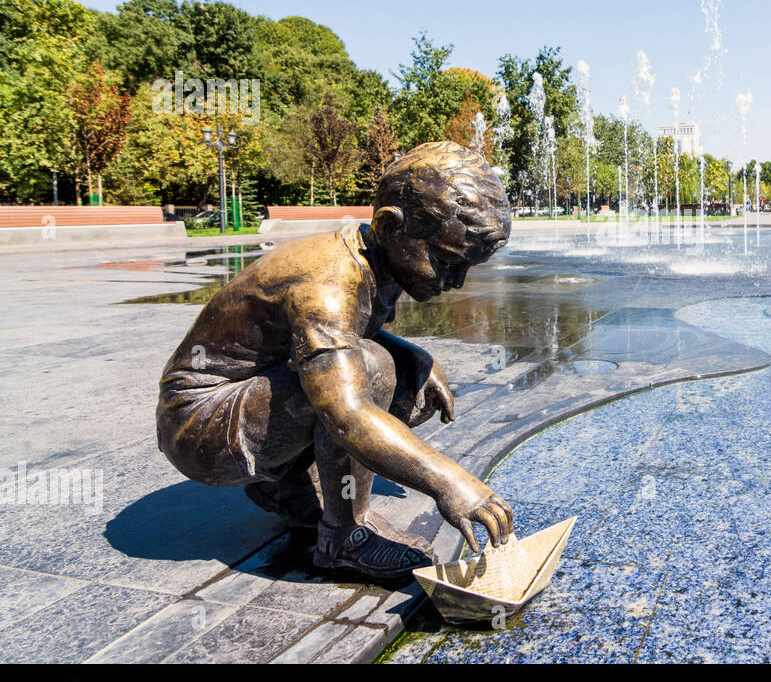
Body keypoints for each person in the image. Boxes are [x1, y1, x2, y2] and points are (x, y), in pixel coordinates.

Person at [156, 142, 515, 579]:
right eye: (444, 261)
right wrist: (450, 482)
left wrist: (413, 354)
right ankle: (344, 536)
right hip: (199, 425)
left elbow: (345, 333)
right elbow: (348, 413)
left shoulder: (373, 256)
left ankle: (289, 489)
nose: (456, 282)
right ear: (389, 226)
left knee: (406, 380)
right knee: (368, 372)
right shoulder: (327, 282)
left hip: (241, 397)